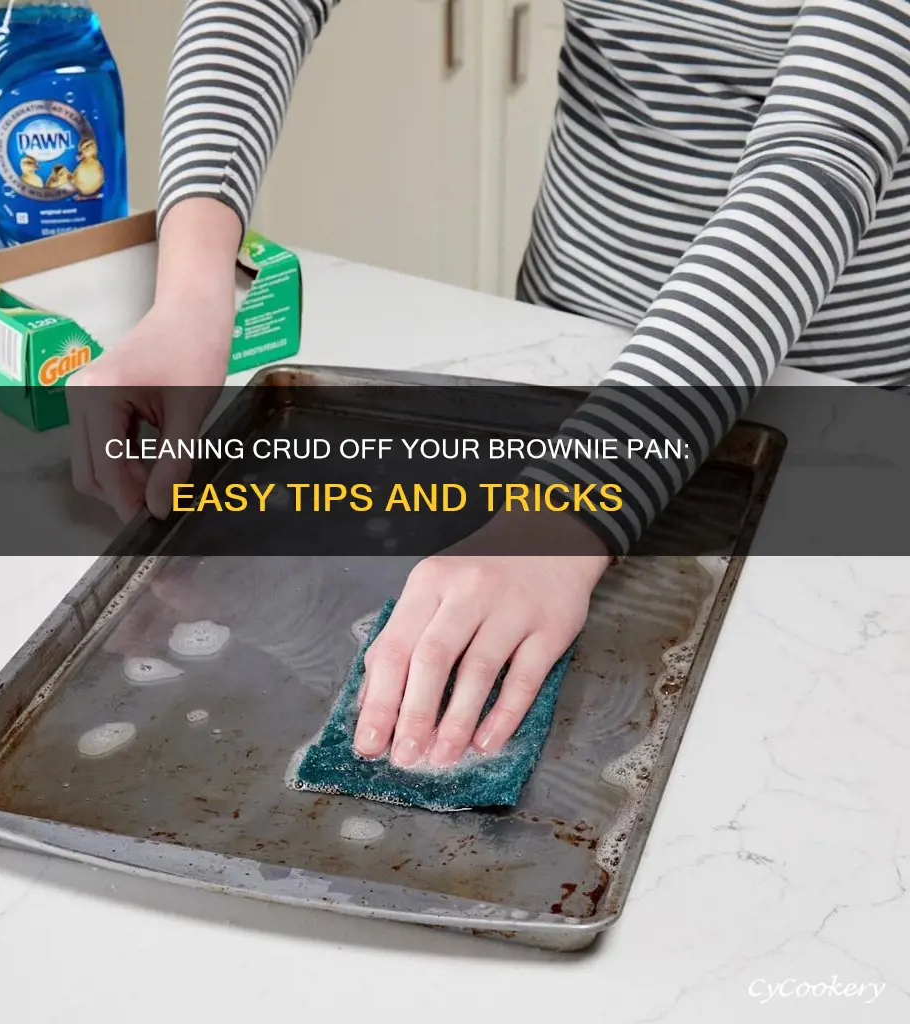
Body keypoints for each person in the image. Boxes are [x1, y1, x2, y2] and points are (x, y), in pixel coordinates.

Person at [68, 0, 910, 771]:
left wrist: (569, 505)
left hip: (828, 402)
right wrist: (190, 295)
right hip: (562, 348)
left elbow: (822, 150)